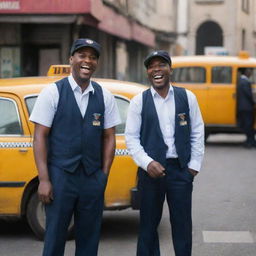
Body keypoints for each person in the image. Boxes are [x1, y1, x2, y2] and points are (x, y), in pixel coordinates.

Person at [30, 38, 121, 256]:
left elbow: (110, 137)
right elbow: (39, 137)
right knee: (55, 237)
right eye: (82, 55)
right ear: (71, 59)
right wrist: (44, 179)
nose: (87, 61)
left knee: (89, 239)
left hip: (92, 178)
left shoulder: (104, 96)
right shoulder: (53, 92)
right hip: (61, 177)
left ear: (96, 63)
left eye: (92, 57)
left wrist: (103, 176)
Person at [125, 50, 205, 256]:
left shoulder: (187, 97)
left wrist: (193, 167)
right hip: (150, 173)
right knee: (148, 228)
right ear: (148, 73)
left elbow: (197, 131)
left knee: (182, 226)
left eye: (161, 64)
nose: (156, 70)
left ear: (170, 69)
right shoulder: (138, 101)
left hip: (180, 171)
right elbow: (131, 139)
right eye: (152, 66)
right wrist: (147, 163)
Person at [237, 68, 256, 148]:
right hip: (246, 107)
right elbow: (249, 95)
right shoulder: (245, 82)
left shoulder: (242, 81)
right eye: (250, 71)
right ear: (246, 72)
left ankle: (250, 140)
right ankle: (250, 141)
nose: (251, 73)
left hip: (243, 107)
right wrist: (253, 103)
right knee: (248, 125)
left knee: (247, 125)